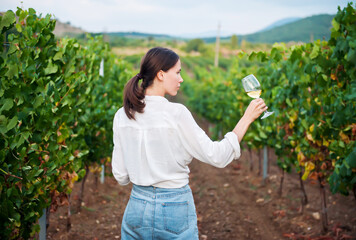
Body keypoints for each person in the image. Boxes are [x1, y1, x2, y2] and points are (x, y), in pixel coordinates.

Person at [112, 47, 268, 239]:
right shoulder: (177, 114)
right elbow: (218, 156)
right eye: (177, 72)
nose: (181, 78)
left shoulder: (122, 115)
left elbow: (120, 176)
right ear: (161, 74)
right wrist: (247, 118)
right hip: (173, 207)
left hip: (136, 207)